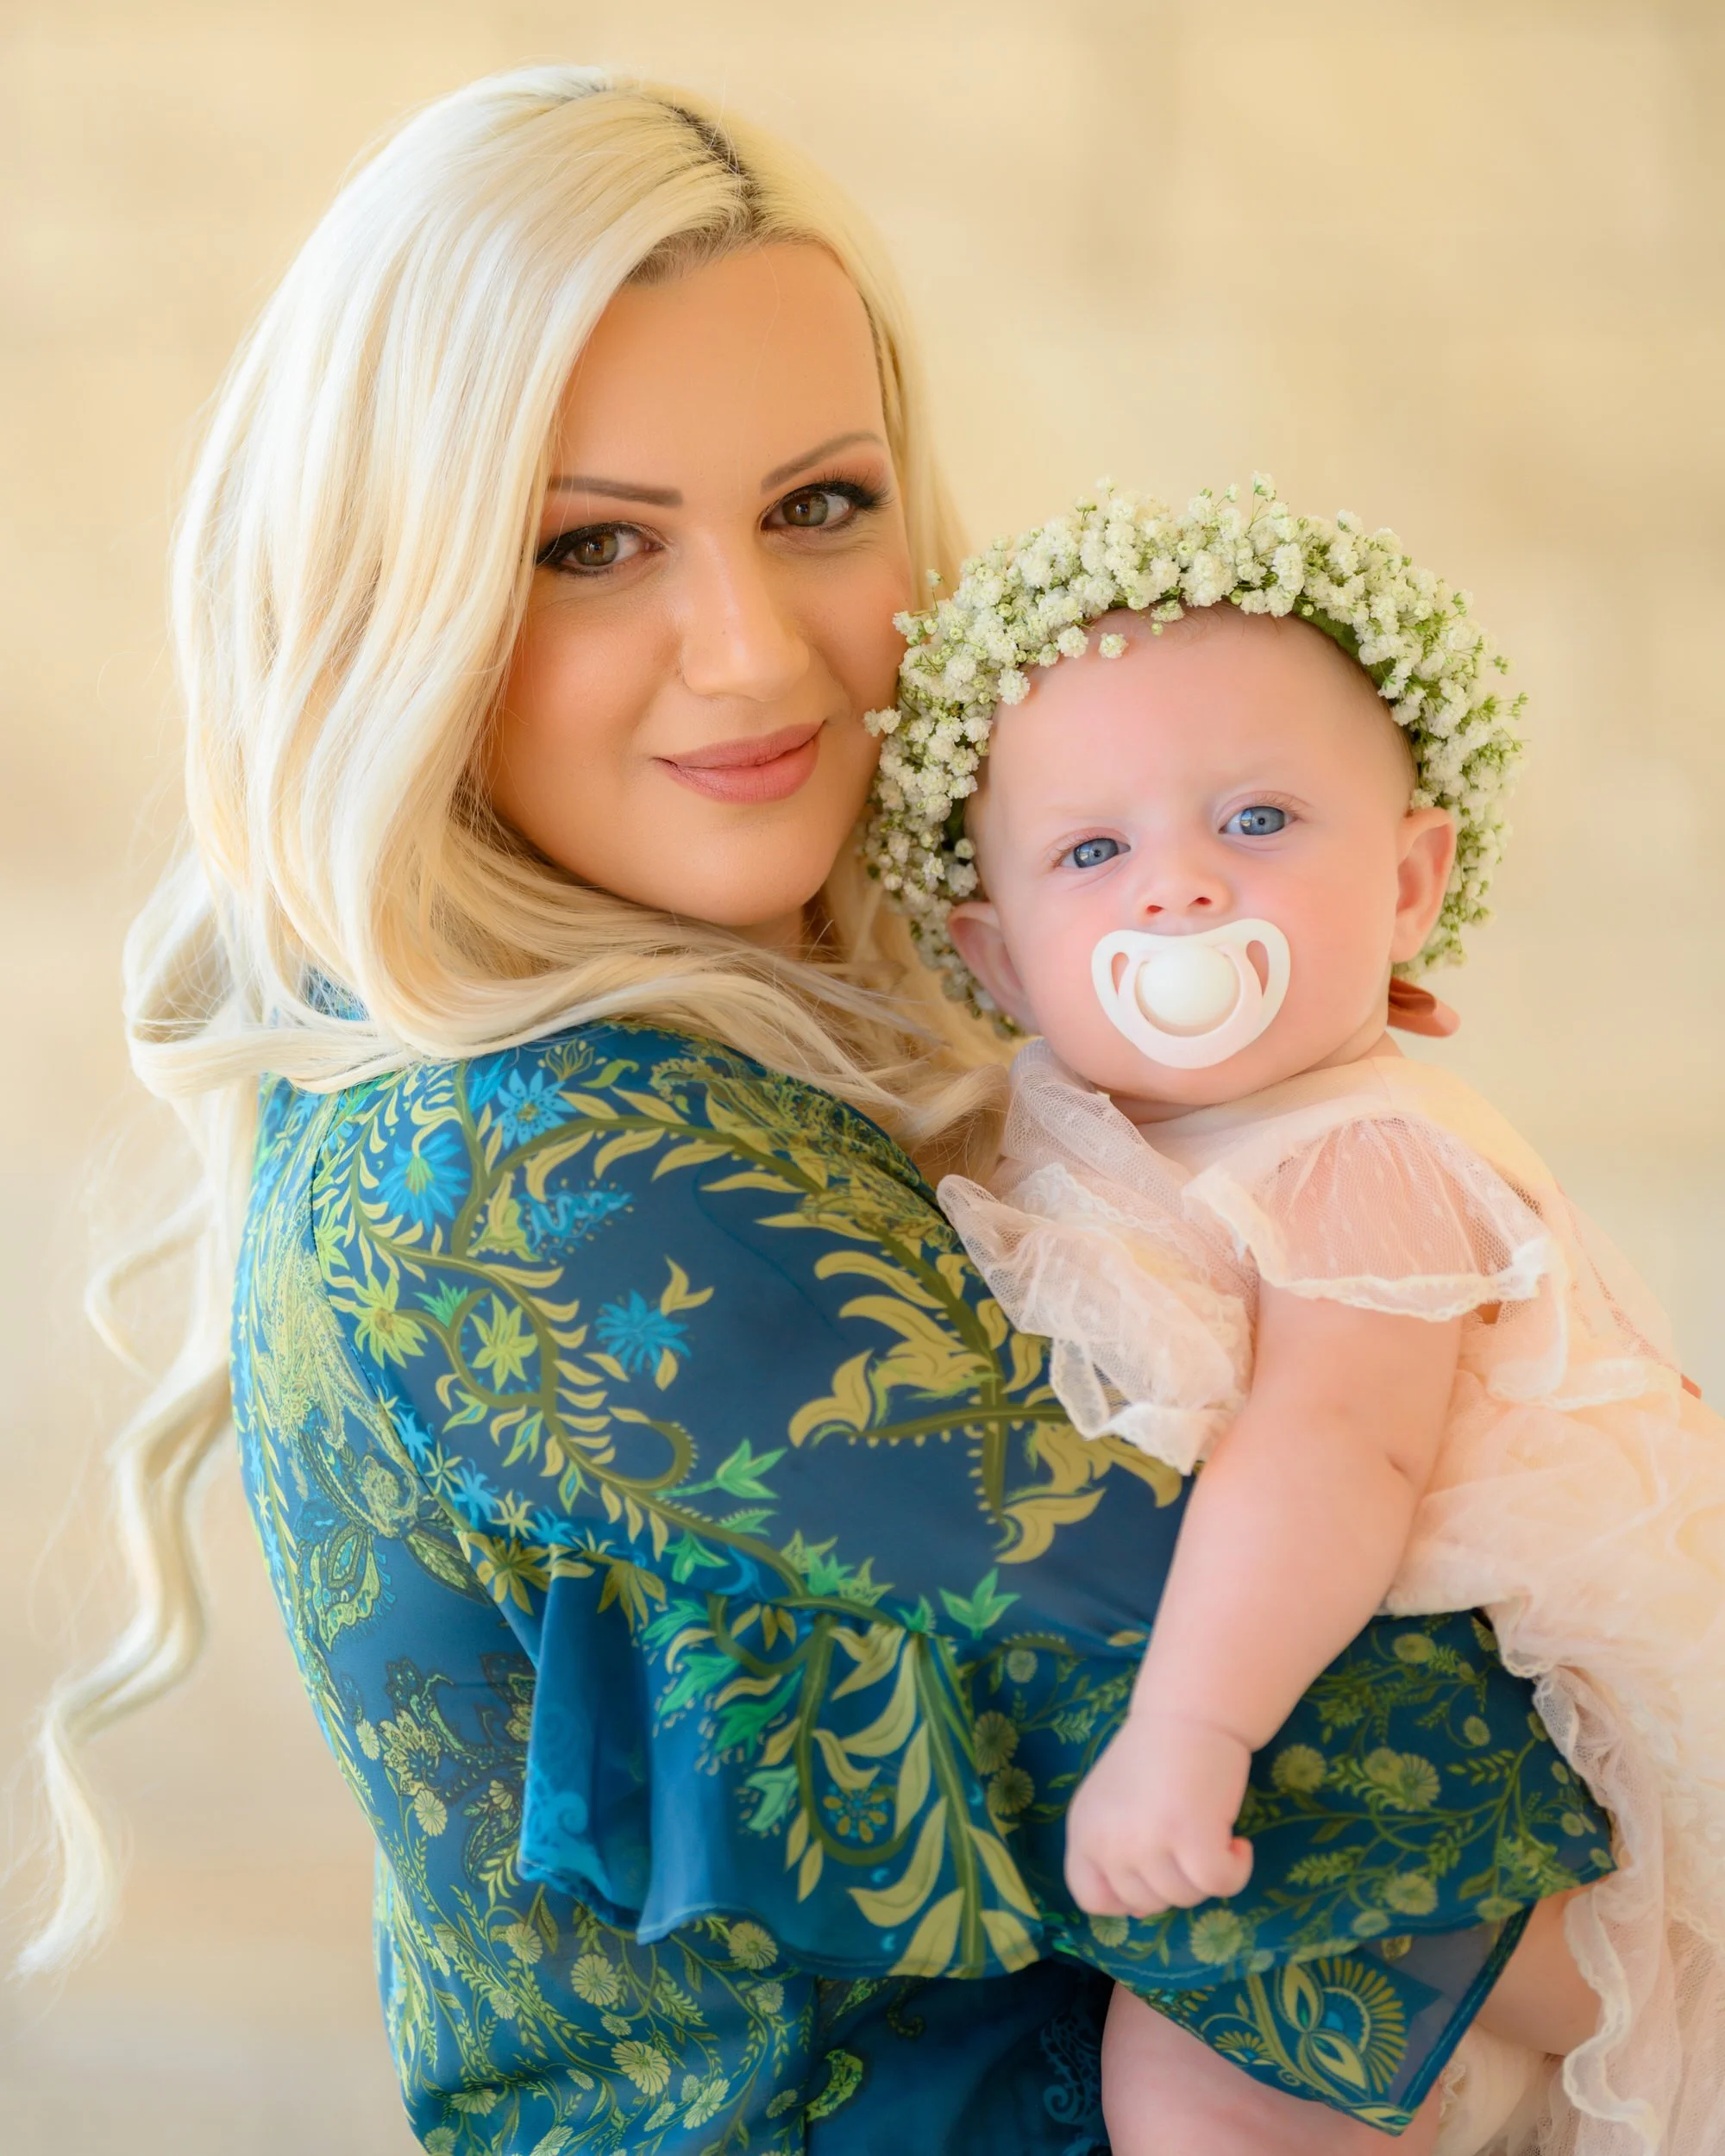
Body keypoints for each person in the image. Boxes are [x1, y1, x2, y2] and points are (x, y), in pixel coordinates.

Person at [25, 76, 1615, 2156]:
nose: (753, 650)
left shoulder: (622, 1065)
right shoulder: (565, 1170)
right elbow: (1409, 1807)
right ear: (392, 597)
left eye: (819, 507)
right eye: (590, 544)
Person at [875, 475, 1724, 2153]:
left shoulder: (1363, 1151)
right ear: (993, 952)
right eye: (1092, 850)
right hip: (1381, 1824)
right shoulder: (1084, 1129)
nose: (1177, 891)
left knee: (1190, 2075)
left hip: (1509, 1798)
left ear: (1409, 882)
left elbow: (1332, 1442)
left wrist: (1192, 1730)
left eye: (1256, 820)